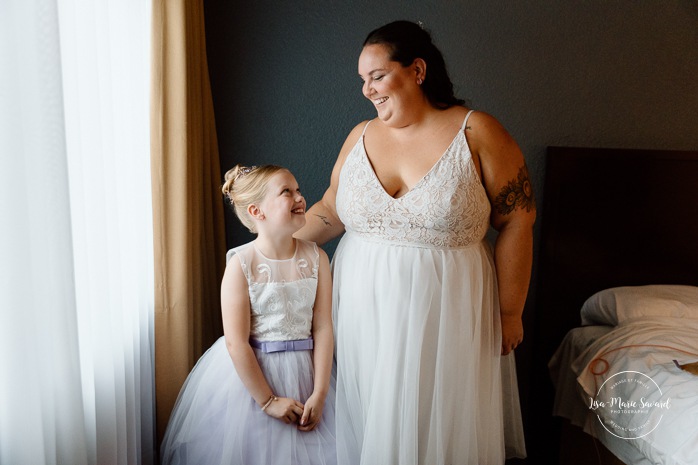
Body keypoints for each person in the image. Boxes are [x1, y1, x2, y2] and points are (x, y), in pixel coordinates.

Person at [295, 20, 534, 464]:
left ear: (417, 70)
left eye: (377, 76)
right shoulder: (359, 136)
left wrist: (509, 310)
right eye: (362, 80)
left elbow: (518, 219)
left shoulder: (477, 131)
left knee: (434, 424)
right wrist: (271, 245)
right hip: (361, 312)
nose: (367, 90)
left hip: (448, 315)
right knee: (367, 419)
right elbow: (330, 211)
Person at [160, 165, 336, 465]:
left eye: (298, 189)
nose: (300, 197)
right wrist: (268, 401)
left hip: (308, 373)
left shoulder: (316, 258)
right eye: (286, 192)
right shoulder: (241, 264)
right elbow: (236, 342)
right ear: (257, 211)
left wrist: (320, 393)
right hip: (256, 378)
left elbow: (322, 327)